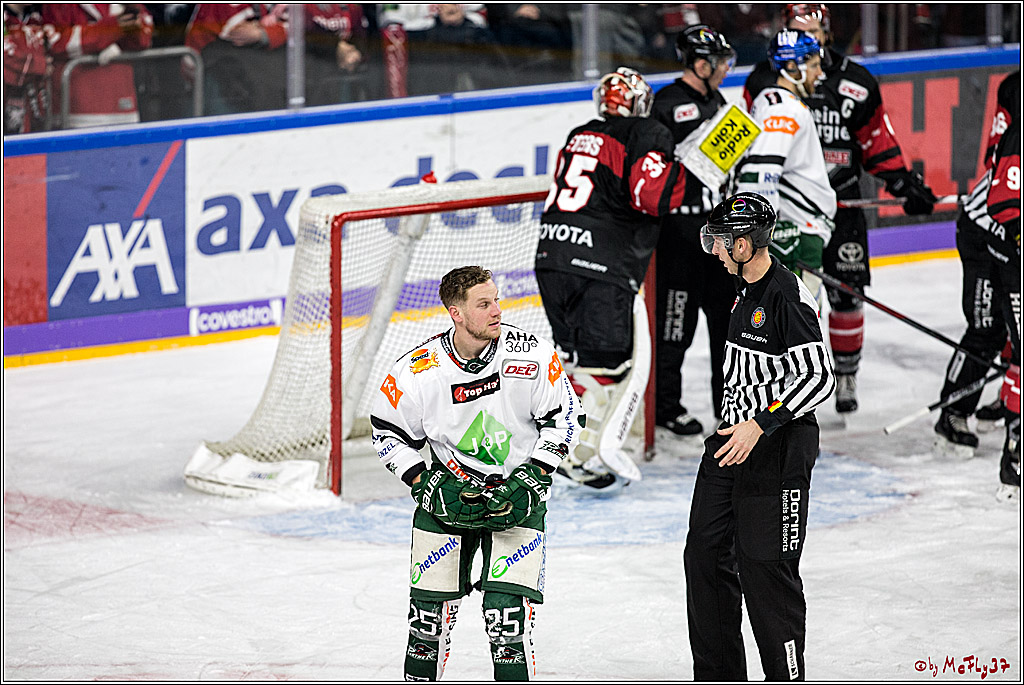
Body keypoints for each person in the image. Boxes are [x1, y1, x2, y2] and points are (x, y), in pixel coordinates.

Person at [370, 266, 583, 681]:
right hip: (446, 496)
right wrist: (422, 482)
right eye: (484, 304)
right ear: (456, 313)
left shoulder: (532, 355)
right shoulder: (416, 371)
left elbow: (566, 417)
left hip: (518, 497)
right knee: (425, 627)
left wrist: (534, 477)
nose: (497, 311)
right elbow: (387, 431)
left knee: (506, 624)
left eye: (497, 300)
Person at [743, 4, 939, 415]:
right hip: (793, 220)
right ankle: (788, 390)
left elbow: (876, 142)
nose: (811, 40)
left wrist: (901, 181)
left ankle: (842, 375)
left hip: (838, 206)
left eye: (815, 31)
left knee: (845, 296)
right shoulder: (771, 91)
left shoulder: (855, 81)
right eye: (801, 32)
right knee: (792, 305)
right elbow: (754, 159)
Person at [685, 192, 836, 681]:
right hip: (732, 441)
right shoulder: (742, 288)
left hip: (777, 448)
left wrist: (761, 422)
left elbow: (820, 378)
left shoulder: (787, 296)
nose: (715, 250)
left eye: (722, 242)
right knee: (705, 557)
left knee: (765, 572)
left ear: (746, 245)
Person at [535, 66, 701, 489]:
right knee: (605, 365)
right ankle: (576, 456)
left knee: (574, 362)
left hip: (551, 255)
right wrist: (689, 172)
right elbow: (650, 197)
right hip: (599, 263)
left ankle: (564, 449)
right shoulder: (646, 132)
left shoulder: (579, 133)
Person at [650, 24, 737, 439]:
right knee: (675, 327)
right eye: (719, 63)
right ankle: (667, 407)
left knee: (726, 325)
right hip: (679, 238)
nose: (724, 70)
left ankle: (729, 405)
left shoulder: (719, 101)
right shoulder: (664, 104)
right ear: (700, 64)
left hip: (717, 237)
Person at [934, 71, 1019, 463]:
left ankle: (1009, 400)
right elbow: (1001, 182)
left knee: (1015, 325)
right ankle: (953, 412)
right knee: (987, 326)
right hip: (986, 232)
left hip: (1010, 233)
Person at [734, 28, 836, 315]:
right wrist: (765, 235)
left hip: (794, 232)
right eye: (814, 65)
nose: (820, 73)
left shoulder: (768, 102)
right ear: (792, 67)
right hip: (797, 236)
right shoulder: (784, 111)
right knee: (797, 327)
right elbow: (760, 173)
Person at [41, 3, 154, 129]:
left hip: (123, 104)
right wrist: (111, 30)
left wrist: (120, 45)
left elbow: (145, 37)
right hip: (78, 110)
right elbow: (58, 42)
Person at [3, 4, 49, 134]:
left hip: (29, 102)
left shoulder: (36, 17)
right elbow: (7, 54)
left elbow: (50, 49)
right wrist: (42, 65)